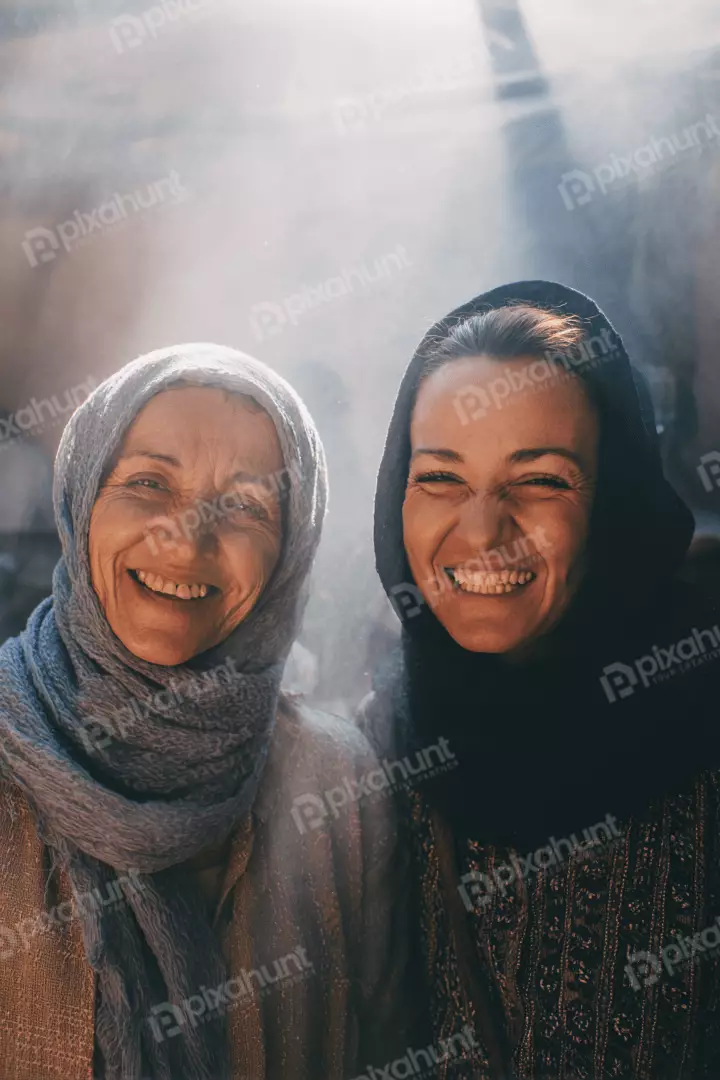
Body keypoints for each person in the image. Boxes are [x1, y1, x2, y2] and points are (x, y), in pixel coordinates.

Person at [0, 343, 414, 1080]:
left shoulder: (339, 784)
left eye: (248, 506)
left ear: (291, 550)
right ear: (82, 498)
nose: (186, 539)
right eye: (149, 482)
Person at [359, 281, 720, 1078]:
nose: (482, 529)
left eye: (542, 480)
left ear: (614, 503)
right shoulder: (367, 761)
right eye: (441, 477)